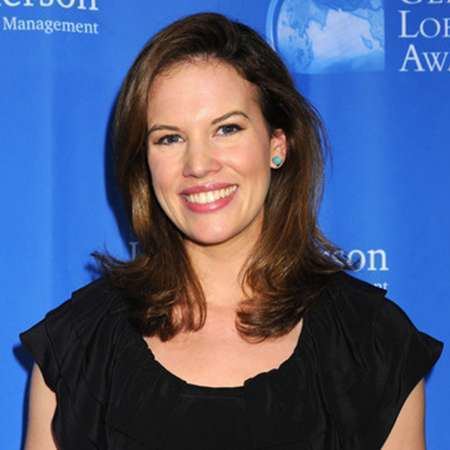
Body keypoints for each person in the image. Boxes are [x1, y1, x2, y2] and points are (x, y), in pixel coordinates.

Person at [20, 12, 443, 450]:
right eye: (169, 138)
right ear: (144, 163)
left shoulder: (372, 345)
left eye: (227, 129)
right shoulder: (78, 349)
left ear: (277, 145)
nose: (199, 164)